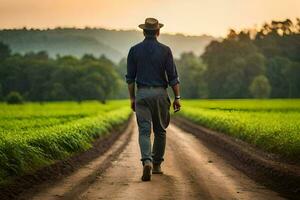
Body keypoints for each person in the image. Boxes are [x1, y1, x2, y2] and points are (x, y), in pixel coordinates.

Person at [126, 18, 181, 181]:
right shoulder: (166, 50)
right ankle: (156, 165)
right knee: (160, 130)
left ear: (144, 32)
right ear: (158, 32)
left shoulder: (134, 50)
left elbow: (130, 79)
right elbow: (173, 77)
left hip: (142, 94)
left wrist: (132, 98)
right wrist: (177, 97)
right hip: (159, 94)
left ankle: (146, 162)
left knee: (144, 131)